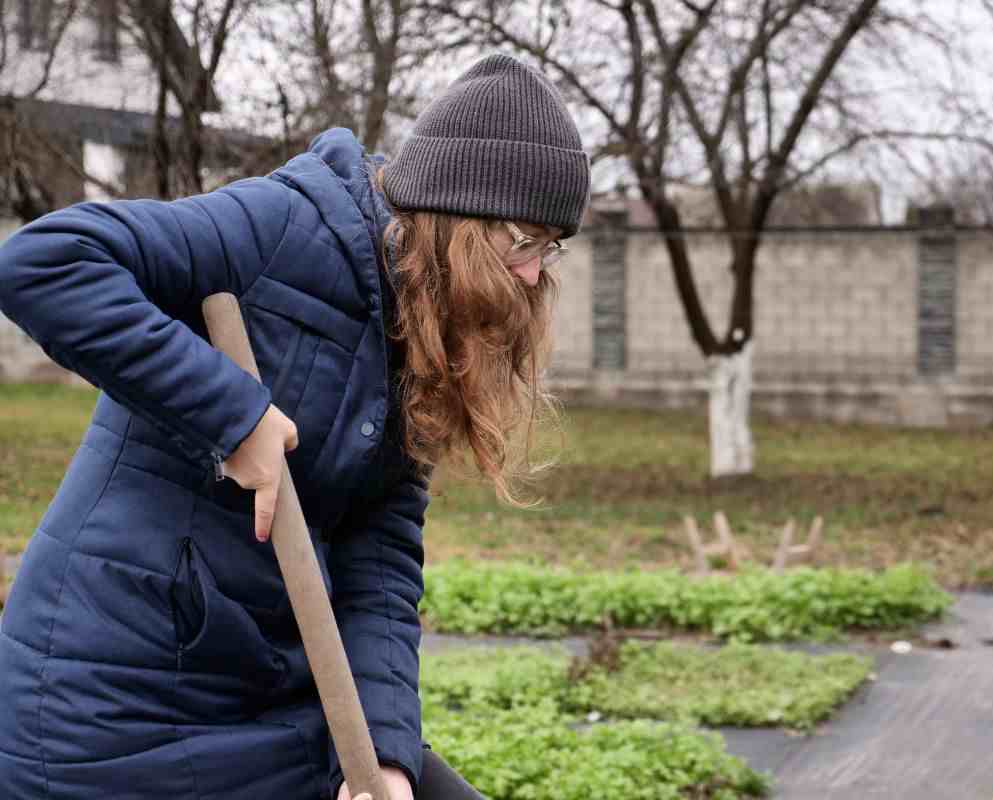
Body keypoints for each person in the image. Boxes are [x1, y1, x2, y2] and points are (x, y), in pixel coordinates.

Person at [0, 52, 590, 800]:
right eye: (525, 240)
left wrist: (385, 752)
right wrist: (232, 417)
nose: (536, 274)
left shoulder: (421, 329)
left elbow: (380, 558)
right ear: (458, 216)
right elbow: (45, 264)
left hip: (268, 695)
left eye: (552, 247)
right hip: (110, 708)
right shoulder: (283, 228)